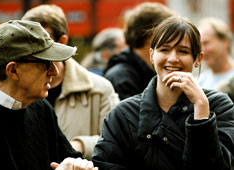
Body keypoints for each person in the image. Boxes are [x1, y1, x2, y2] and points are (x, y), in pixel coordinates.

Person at [92, 16, 234, 170]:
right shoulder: (123, 114)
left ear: (198, 59)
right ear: (152, 55)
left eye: (183, 51)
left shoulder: (220, 106)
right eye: (164, 49)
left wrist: (201, 111)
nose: (173, 59)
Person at [0, 20, 98, 170]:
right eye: (45, 63)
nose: (54, 71)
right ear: (13, 70)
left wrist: (81, 166)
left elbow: (69, 158)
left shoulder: (40, 107)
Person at [22, 4, 120, 160]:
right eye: (28, 42)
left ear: (62, 41)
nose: (35, 50)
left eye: (43, 43)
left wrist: (79, 145)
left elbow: (118, 141)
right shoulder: (17, 88)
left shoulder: (99, 88)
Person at [103, 2, 175, 100]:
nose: (174, 40)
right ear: (151, 37)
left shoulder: (150, 70)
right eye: (168, 33)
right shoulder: (121, 77)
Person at [197, 17, 234, 90]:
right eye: (199, 45)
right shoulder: (199, 82)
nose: (202, 50)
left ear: (225, 42)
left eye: (206, 43)